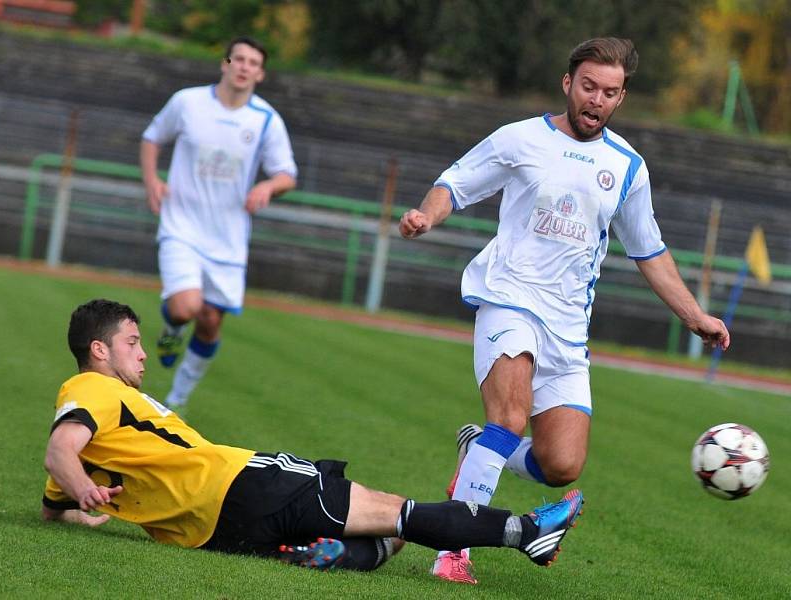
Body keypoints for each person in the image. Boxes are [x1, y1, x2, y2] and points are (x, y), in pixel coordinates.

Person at [399, 37, 730, 584]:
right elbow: (455, 183)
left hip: (568, 326)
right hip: (509, 297)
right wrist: (426, 216)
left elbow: (649, 249)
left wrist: (694, 315)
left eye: (610, 92)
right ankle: (452, 551)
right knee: (508, 415)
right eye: (589, 87)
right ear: (567, 83)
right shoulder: (520, 138)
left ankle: (480, 451)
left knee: (561, 465)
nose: (596, 100)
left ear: (622, 98)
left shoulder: (627, 166)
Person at [41, 299, 585, 575]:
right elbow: (59, 450)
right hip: (238, 481)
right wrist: (86, 492)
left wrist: (79, 503)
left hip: (206, 533)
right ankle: (525, 531)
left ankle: (355, 555)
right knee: (400, 512)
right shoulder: (92, 387)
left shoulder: (96, 421)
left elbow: (53, 502)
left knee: (381, 532)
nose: (141, 352)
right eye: (132, 342)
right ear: (98, 350)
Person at [140, 36, 297, 412]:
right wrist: (152, 181)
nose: (244, 66)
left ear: (260, 73)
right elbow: (151, 137)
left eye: (252, 63)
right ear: (225, 63)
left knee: (210, 322)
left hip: (227, 237)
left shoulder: (265, 120)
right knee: (185, 307)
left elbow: (287, 174)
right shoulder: (188, 102)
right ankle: (173, 330)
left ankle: (175, 402)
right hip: (181, 225)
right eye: (238, 59)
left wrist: (268, 186)